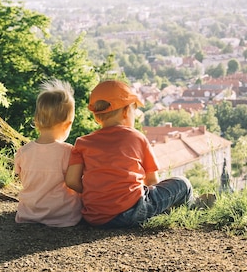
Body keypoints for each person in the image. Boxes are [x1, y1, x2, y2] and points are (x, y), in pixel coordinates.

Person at [65, 79, 193, 227]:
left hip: (95, 217)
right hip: (131, 213)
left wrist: (96, 192)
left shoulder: (82, 142)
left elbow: (72, 181)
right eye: (134, 109)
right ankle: (192, 209)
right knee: (183, 184)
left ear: (96, 115)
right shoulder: (136, 137)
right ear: (126, 111)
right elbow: (152, 181)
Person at [14, 79, 82, 227]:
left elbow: (24, 180)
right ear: (68, 124)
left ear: (37, 119)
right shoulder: (69, 152)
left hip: (28, 214)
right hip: (64, 216)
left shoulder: (23, 152)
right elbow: (75, 182)